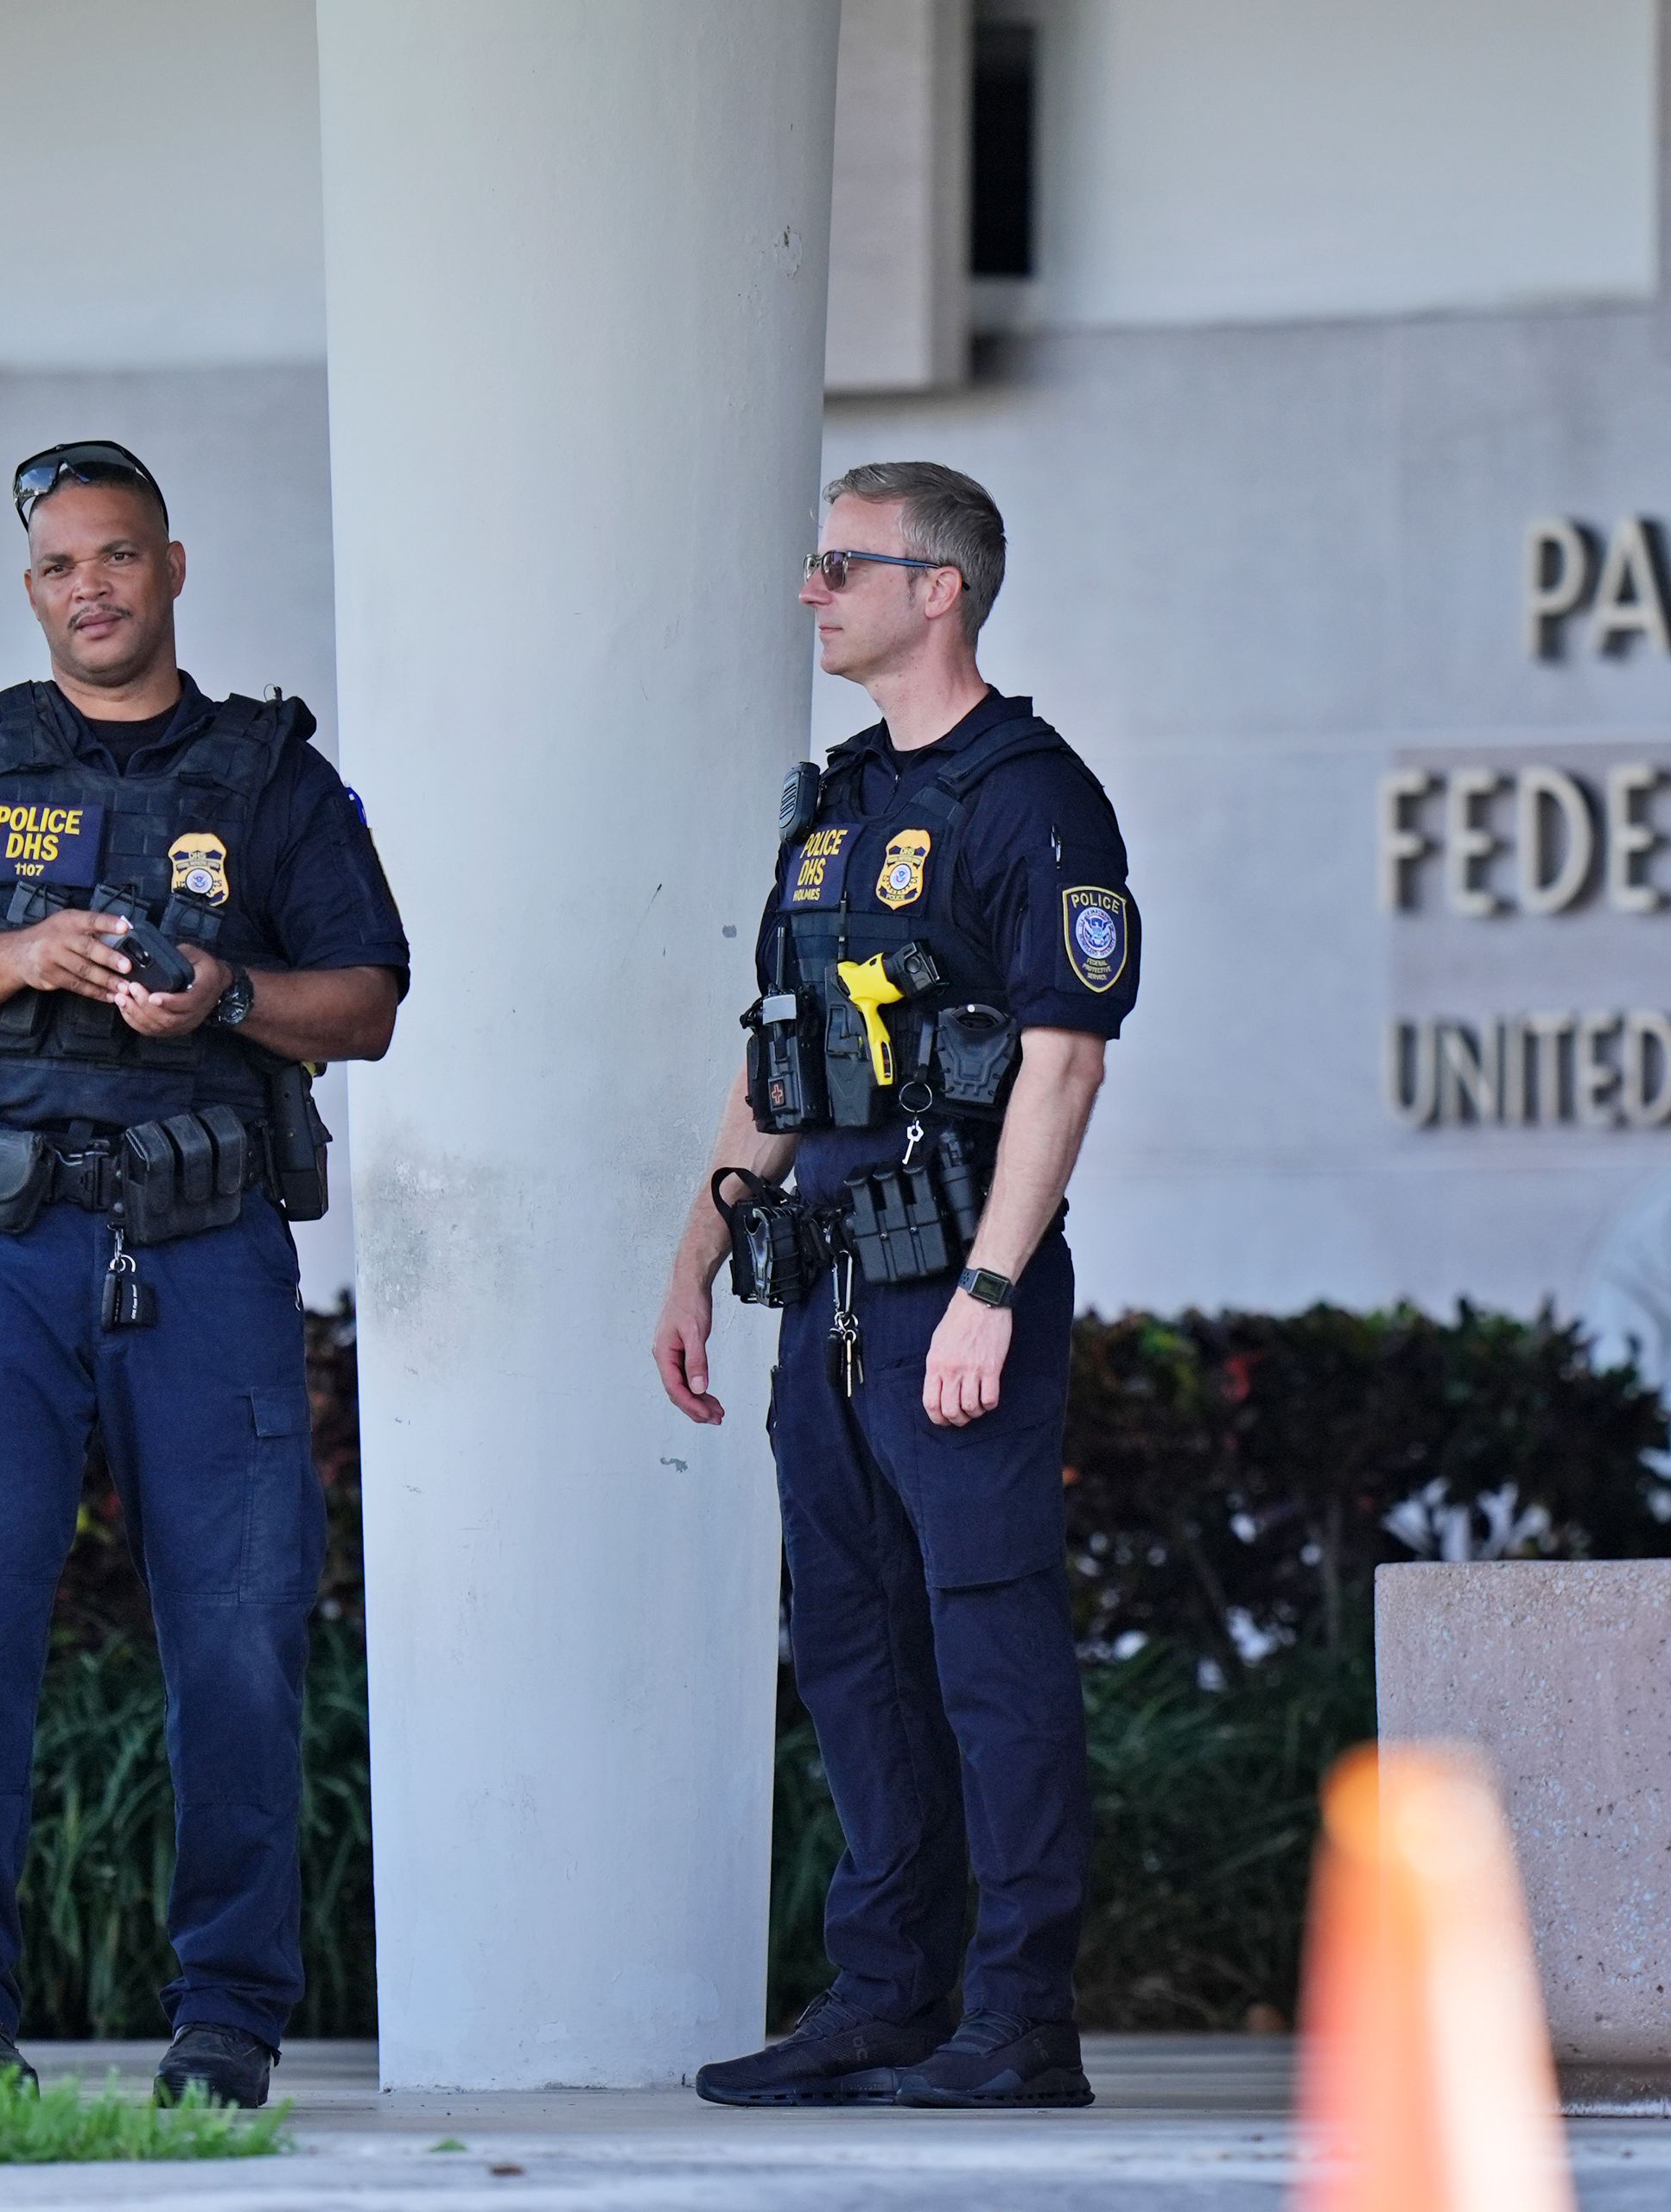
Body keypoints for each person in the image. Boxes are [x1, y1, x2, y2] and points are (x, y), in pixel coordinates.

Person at [0, 441, 410, 2107]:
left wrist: (218, 988)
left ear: (172, 568)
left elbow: (365, 1000)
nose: (93, 585)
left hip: (205, 1248)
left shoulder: (270, 773)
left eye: (121, 556)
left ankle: (226, 2024)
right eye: (64, 564)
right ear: (35, 589)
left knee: (235, 1641)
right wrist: (21, 952)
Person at [653, 462, 1137, 2111]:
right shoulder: (838, 802)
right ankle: (888, 1996)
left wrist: (994, 1291)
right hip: (827, 1298)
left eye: (845, 563)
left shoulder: (1034, 797)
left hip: (956, 1293)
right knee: (854, 1649)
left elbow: (1062, 1067)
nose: (814, 590)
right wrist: (701, 1251)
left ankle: (1021, 2019)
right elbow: (780, 1057)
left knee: (990, 1644)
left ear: (940, 587)